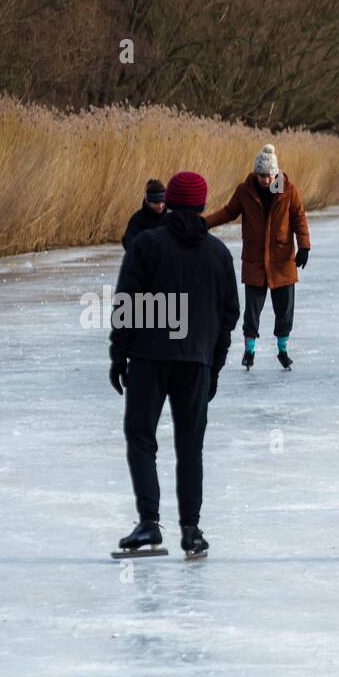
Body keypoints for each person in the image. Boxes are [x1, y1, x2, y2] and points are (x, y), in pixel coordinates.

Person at [110, 171, 239, 560]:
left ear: (170, 201)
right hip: (195, 361)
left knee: (141, 437)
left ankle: (149, 522)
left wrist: (120, 356)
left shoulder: (147, 245)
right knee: (190, 446)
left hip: (149, 359)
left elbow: (126, 306)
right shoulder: (218, 254)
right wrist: (213, 367)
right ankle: (191, 531)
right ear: (201, 204)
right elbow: (229, 316)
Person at [203, 143, 310, 371]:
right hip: (255, 260)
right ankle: (249, 351)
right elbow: (229, 212)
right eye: (262, 175)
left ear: (276, 173)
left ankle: (282, 349)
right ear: (256, 173)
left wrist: (304, 247)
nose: (266, 181)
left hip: (282, 260)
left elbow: (299, 218)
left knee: (285, 310)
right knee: (252, 310)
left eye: (270, 176)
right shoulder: (245, 190)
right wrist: (204, 223)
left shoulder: (288, 190)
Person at [121, 178, 167, 250]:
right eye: (156, 203)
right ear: (148, 201)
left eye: (162, 202)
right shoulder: (138, 219)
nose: (160, 206)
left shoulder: (172, 216)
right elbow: (129, 240)